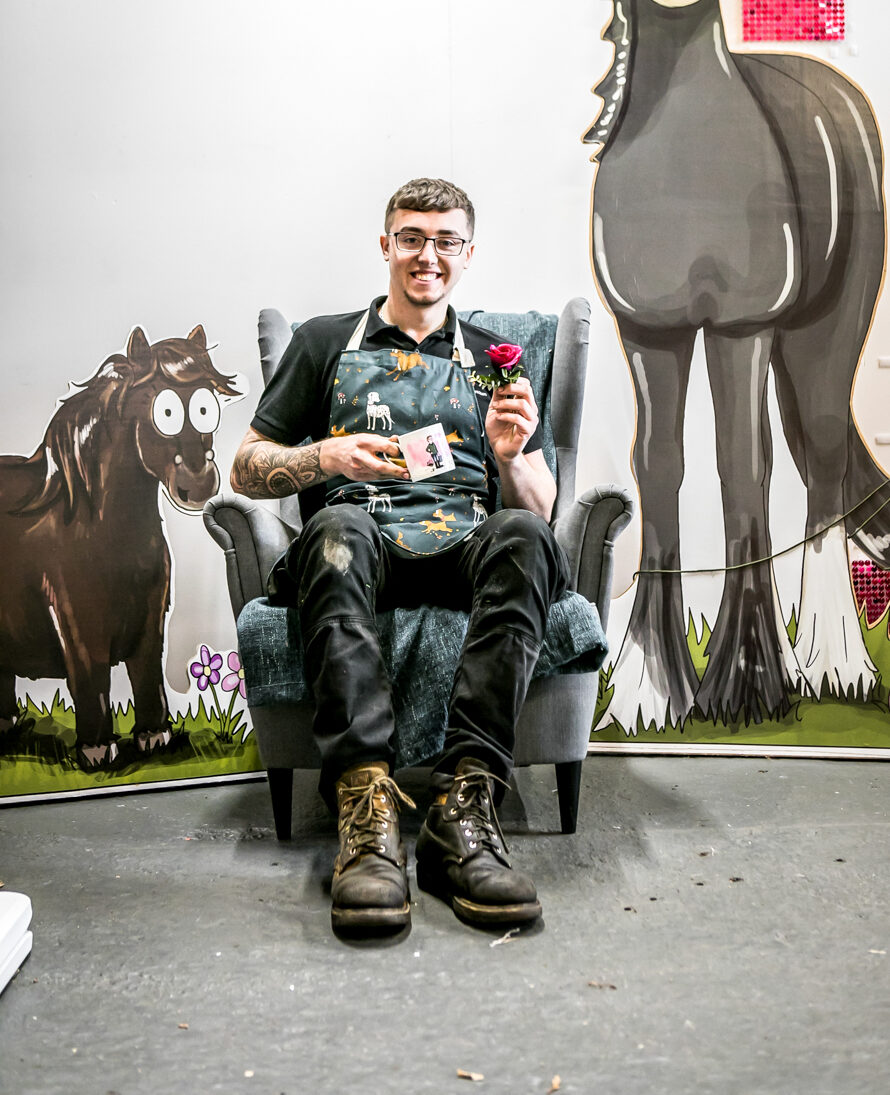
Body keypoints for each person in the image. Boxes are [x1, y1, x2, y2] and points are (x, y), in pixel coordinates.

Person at [231, 178, 569, 933]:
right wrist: (327, 456)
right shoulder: (324, 342)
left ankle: (464, 807)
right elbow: (245, 467)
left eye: (447, 241)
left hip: (465, 537)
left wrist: (511, 454)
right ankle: (366, 812)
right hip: (361, 542)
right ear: (386, 245)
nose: (428, 256)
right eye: (412, 237)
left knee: (526, 536)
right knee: (334, 532)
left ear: (468, 253)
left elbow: (539, 508)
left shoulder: (495, 361)